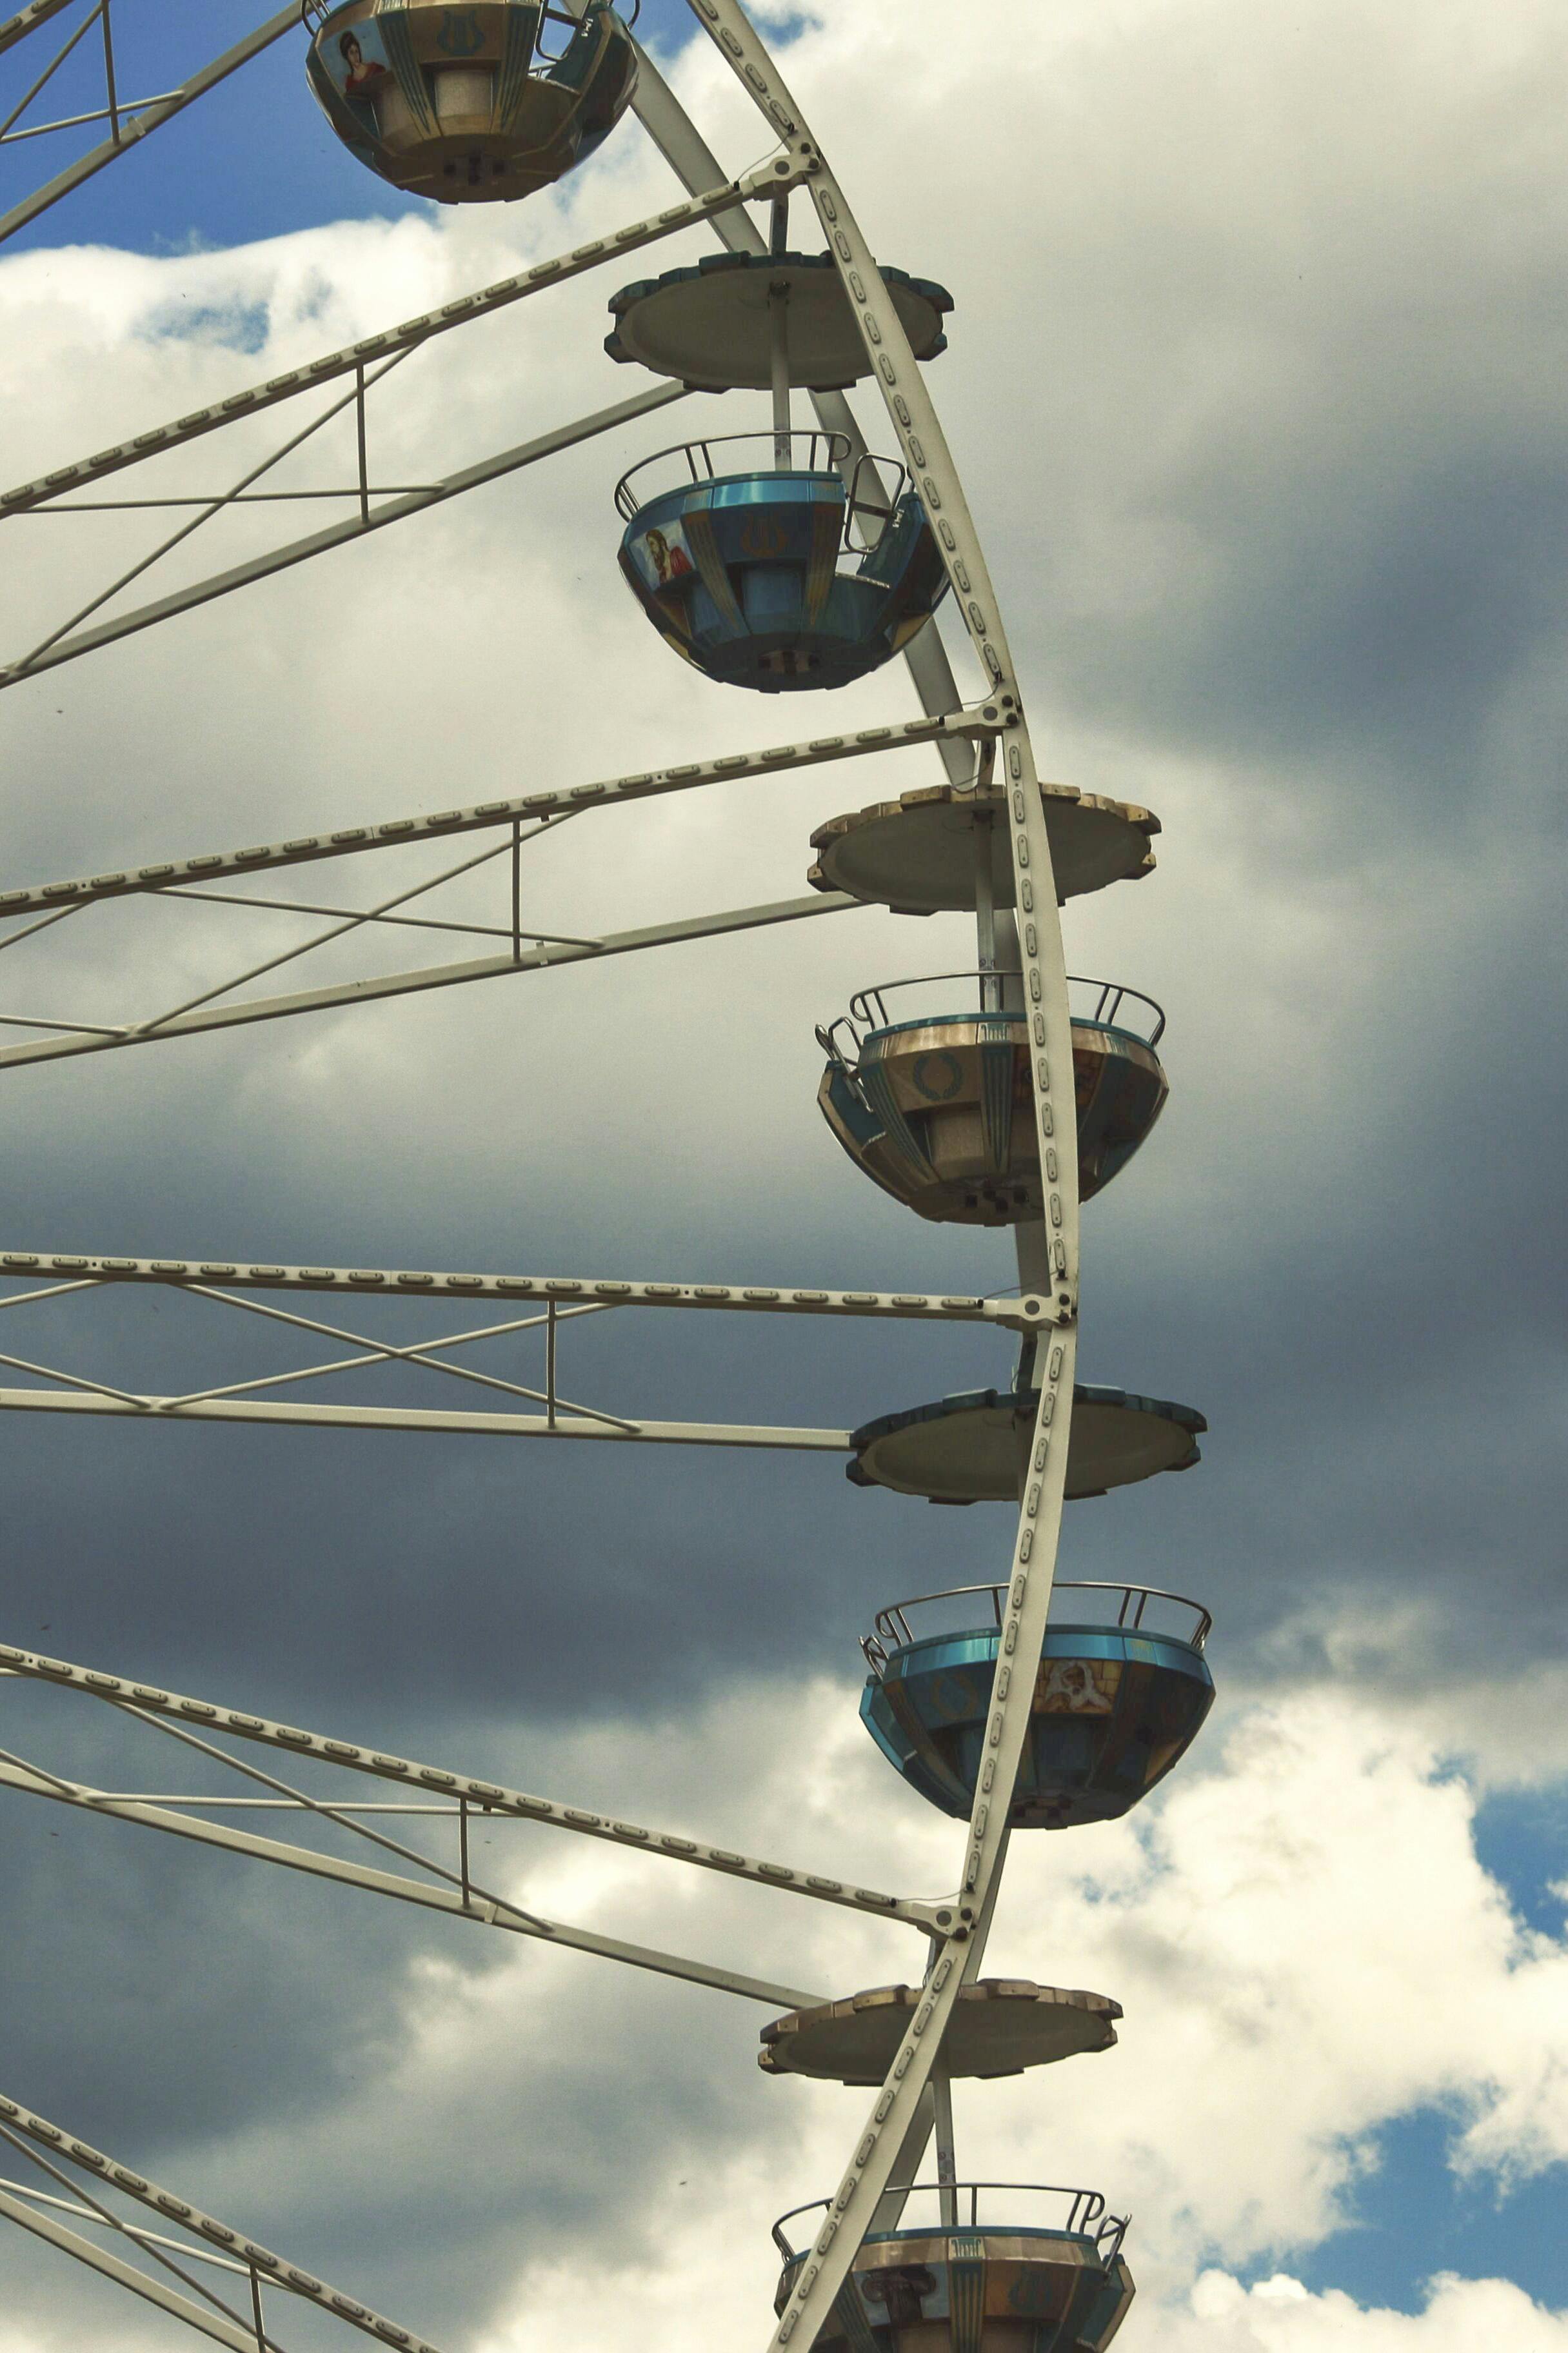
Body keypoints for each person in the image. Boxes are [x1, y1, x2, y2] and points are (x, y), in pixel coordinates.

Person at [339, 30, 388, 97]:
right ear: (347, 56)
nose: (355, 56)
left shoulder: (375, 69)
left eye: (357, 51)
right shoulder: (350, 84)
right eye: (351, 53)